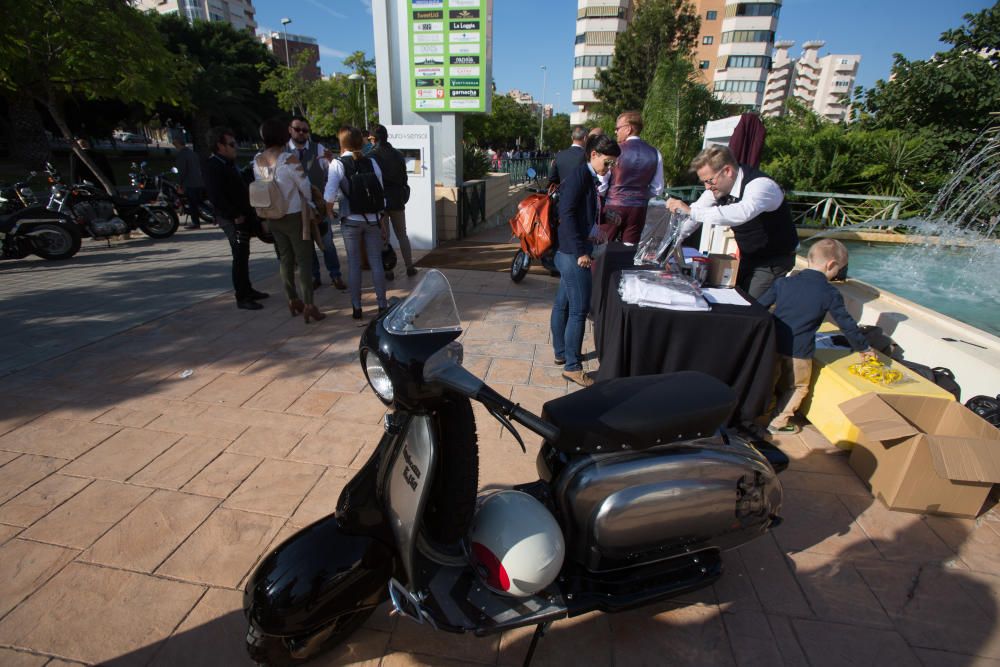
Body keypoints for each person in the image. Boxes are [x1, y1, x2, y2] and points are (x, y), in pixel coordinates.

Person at [757, 239, 874, 434]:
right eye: (839, 269)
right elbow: (847, 324)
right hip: (800, 350)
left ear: (810, 259)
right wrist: (864, 348)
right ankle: (778, 422)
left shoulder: (783, 283)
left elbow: (759, 307)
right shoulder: (829, 292)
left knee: (770, 378)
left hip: (774, 342)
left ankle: (759, 411)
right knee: (798, 386)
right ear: (831, 265)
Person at [668, 145, 799, 299]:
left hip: (773, 261)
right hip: (748, 256)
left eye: (709, 181)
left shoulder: (761, 186)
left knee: (749, 306)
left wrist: (690, 211)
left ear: (727, 171)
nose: (707, 187)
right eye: (704, 182)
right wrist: (672, 242)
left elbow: (741, 213)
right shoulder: (718, 188)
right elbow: (695, 214)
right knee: (730, 297)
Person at [550, 133, 621, 388]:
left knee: (563, 304)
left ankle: (561, 352)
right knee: (578, 311)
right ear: (594, 155)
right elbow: (567, 214)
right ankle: (572, 366)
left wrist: (607, 215)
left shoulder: (588, 176)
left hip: (569, 250)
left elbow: (583, 211)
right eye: (608, 162)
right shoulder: (581, 176)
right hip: (572, 253)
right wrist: (581, 252)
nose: (610, 168)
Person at [324, 126, 388, 320]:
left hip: (350, 219)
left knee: (354, 264)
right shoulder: (372, 162)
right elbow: (380, 192)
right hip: (372, 218)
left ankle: (357, 307)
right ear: (361, 142)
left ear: (342, 143)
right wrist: (382, 220)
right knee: (376, 261)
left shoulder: (337, 164)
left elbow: (330, 193)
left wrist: (329, 212)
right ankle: (382, 305)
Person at [203, 127, 270, 310]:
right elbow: (216, 197)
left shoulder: (228, 164)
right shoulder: (213, 166)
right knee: (239, 256)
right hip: (232, 219)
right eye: (231, 144)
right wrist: (235, 215)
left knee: (244, 255)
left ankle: (247, 289)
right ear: (220, 146)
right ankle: (242, 296)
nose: (235, 148)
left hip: (242, 215)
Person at [286, 116, 347, 291]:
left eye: (305, 130)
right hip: (296, 207)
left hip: (318, 207)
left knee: (327, 242)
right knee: (306, 244)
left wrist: (327, 201)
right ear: (290, 130)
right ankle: (314, 276)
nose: (301, 133)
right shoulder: (284, 152)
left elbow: (331, 174)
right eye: (297, 129)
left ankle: (335, 275)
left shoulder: (318, 149)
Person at [604, 111, 663, 244]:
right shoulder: (655, 153)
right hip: (638, 209)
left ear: (628, 128)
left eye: (618, 128)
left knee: (601, 247)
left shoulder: (614, 152)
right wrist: (638, 195)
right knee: (628, 250)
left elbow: (603, 179)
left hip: (613, 205)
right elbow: (657, 189)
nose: (615, 131)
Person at [369, 124, 418, 278]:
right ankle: (409, 266)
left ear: (373, 138)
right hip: (397, 198)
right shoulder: (398, 154)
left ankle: (388, 269)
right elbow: (404, 178)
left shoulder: (371, 156)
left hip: (380, 200)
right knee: (402, 234)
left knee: (385, 236)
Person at [173, 136, 205, 230]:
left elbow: (182, 171)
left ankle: (196, 223)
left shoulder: (181, 155)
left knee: (193, 204)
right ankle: (213, 216)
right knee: (198, 202)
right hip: (198, 180)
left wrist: (179, 184)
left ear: (178, 144)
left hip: (189, 182)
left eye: (175, 144)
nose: (175, 146)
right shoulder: (192, 153)